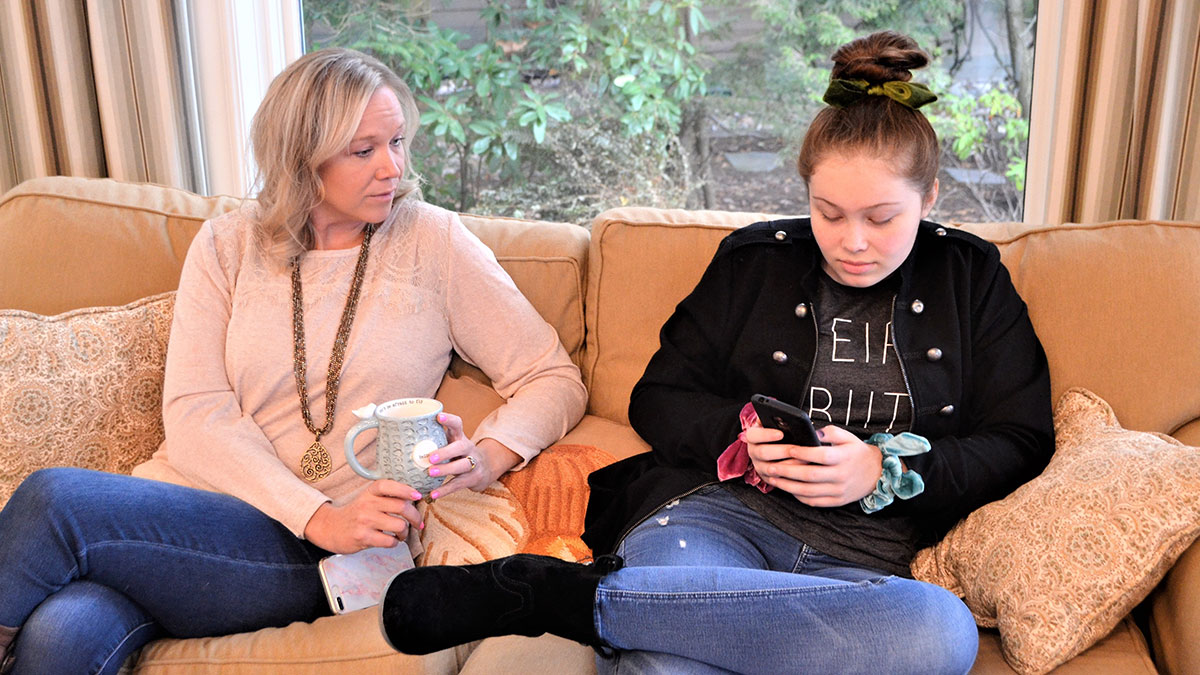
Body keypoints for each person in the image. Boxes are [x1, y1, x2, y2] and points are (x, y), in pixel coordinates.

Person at [378, 31, 1053, 674]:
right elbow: (658, 397)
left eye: (881, 218)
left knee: (940, 631)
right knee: (669, 658)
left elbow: (1021, 439)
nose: (852, 241)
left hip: (866, 561)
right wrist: (743, 440)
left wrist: (883, 468)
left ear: (929, 197)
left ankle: (561, 597)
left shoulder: (970, 277)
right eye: (828, 212)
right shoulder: (754, 263)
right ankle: (647, 609)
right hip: (716, 521)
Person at [0, 48, 586, 675]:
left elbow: (553, 377)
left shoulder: (433, 243)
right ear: (302, 157)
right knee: (61, 634)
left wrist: (488, 457)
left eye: (396, 142)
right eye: (363, 150)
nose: (392, 167)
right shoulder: (227, 244)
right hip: (178, 522)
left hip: (307, 552)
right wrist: (315, 513)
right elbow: (195, 411)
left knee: (53, 498)